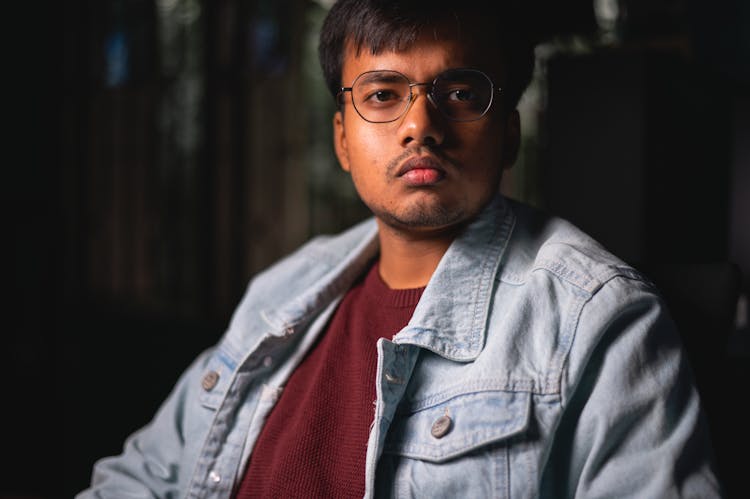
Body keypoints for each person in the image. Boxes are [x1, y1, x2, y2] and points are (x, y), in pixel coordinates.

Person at [77, 0, 722, 497]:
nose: (421, 125)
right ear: (341, 140)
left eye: (461, 93)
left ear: (509, 136)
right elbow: (142, 477)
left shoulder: (598, 320)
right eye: (383, 95)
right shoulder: (280, 293)